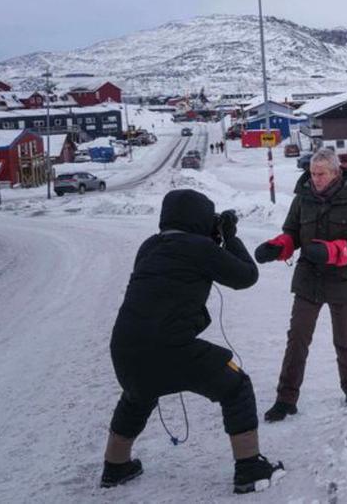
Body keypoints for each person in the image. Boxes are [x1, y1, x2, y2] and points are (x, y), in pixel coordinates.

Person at [101, 189, 285, 494]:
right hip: (169, 347)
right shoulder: (199, 247)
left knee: (138, 393)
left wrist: (213, 239)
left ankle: (115, 466)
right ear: (199, 219)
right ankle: (250, 469)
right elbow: (246, 276)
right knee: (235, 385)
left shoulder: (150, 246)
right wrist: (230, 237)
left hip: (125, 346)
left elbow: (179, 265)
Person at [254, 148, 347, 422]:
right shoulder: (303, 199)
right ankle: (286, 400)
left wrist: (336, 251)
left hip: (344, 280)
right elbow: (292, 233)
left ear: (335, 173)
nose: (316, 179)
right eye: (312, 173)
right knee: (297, 339)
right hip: (309, 279)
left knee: (344, 339)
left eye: (321, 174)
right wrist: (278, 247)